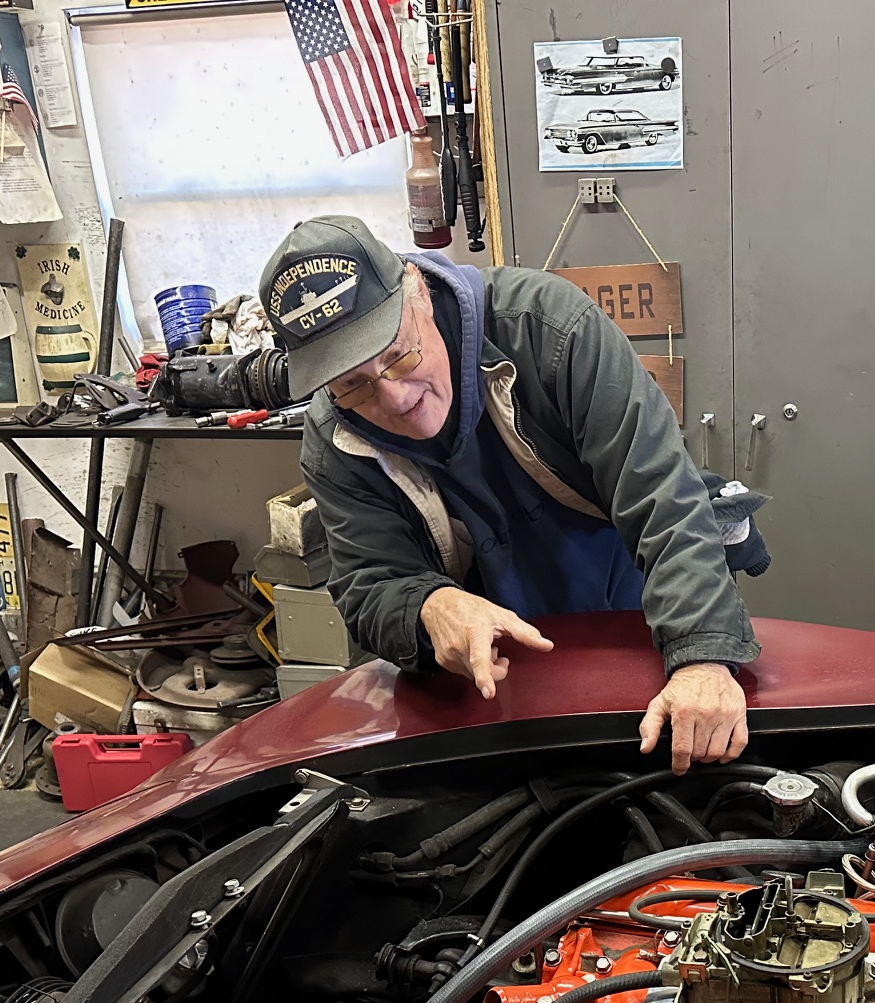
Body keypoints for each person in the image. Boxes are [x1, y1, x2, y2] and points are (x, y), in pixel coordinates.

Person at [260, 215, 765, 773]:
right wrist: (429, 607)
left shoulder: (551, 329)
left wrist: (701, 657)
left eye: (400, 355)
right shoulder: (335, 440)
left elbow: (663, 498)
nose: (395, 397)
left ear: (418, 292)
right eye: (353, 385)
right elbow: (369, 582)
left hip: (643, 607)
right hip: (499, 665)